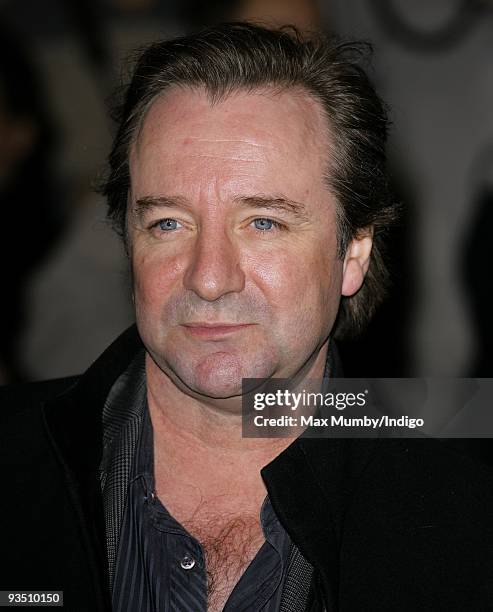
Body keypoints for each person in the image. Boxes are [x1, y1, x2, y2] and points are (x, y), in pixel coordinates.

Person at [1, 23, 493, 612]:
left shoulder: (468, 515)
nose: (208, 277)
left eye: (264, 223)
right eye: (168, 223)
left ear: (352, 254)